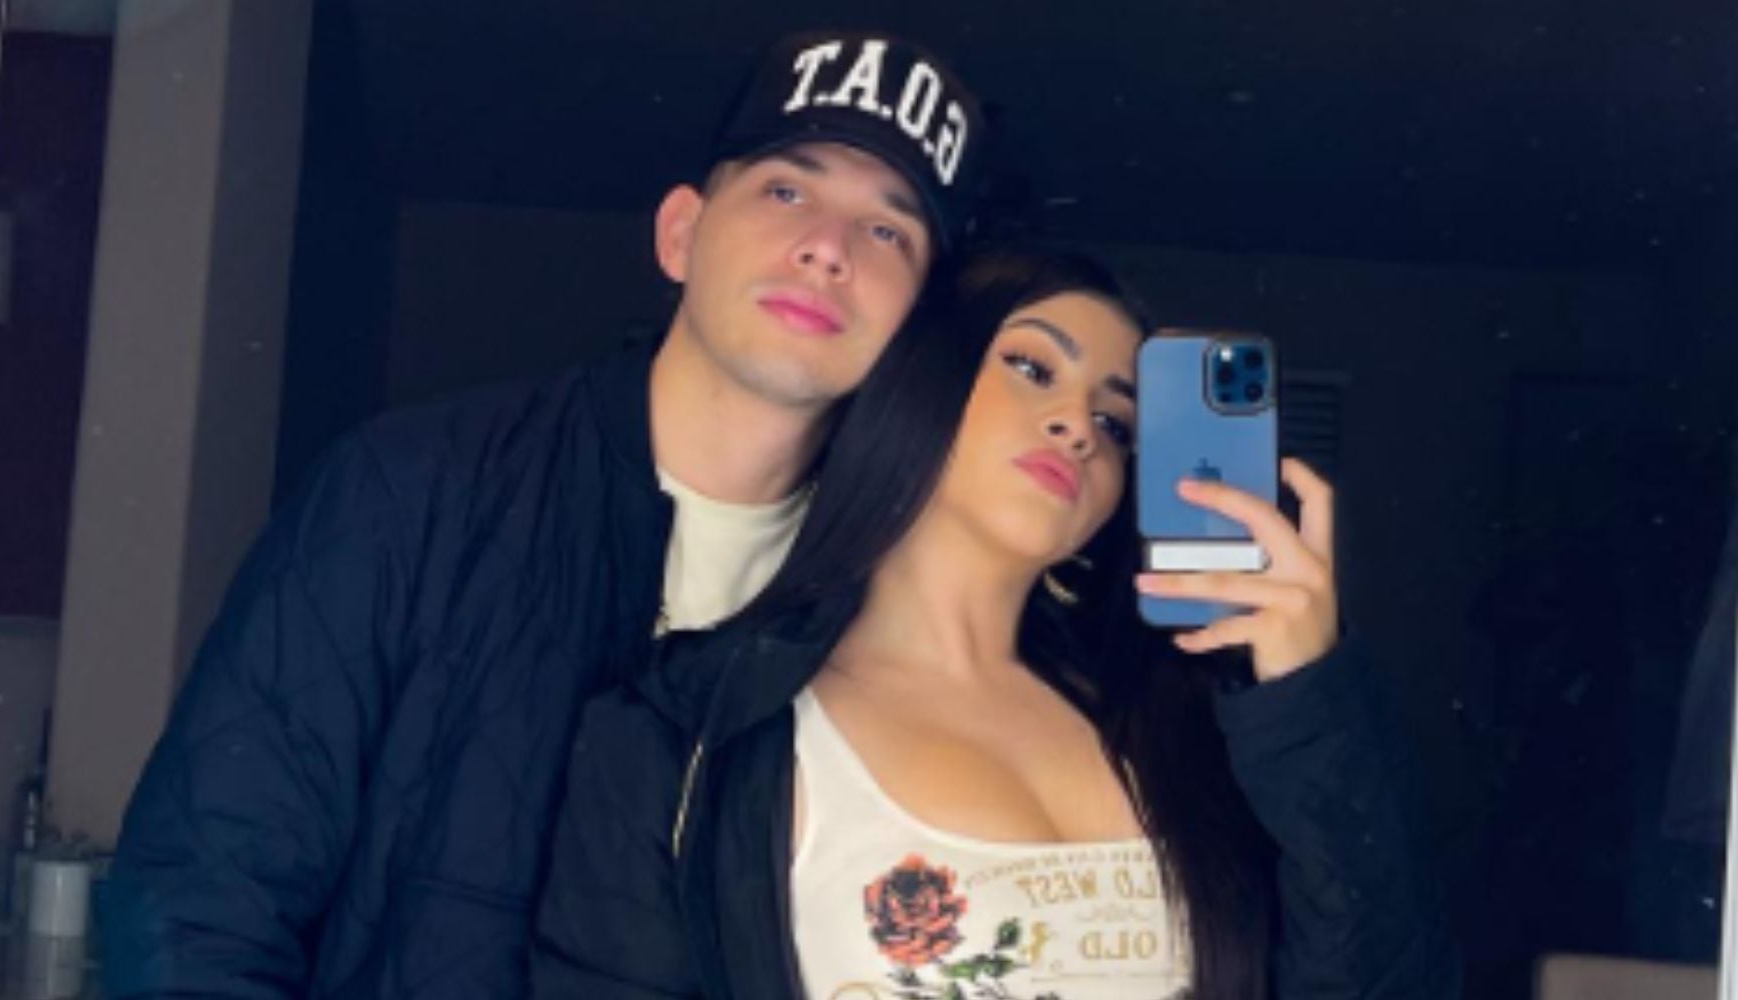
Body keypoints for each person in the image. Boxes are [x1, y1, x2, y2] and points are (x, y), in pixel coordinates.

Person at [98, 30, 988, 999]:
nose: (828, 249)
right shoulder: (414, 492)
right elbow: (201, 904)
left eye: (888, 231)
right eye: (786, 190)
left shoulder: (901, 598)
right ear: (681, 234)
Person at [531, 248, 1462, 999]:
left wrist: (1308, 693)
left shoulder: (1174, 719)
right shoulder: (686, 734)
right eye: (1032, 367)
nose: (1079, 426)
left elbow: (1383, 976)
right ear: (918, 382)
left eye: (1118, 421)